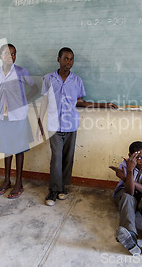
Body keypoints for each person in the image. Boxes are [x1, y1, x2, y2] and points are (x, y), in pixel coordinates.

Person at [37, 47, 117, 206]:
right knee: (56, 158)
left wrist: (103, 105)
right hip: (54, 125)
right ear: (58, 59)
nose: (69, 62)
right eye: (66, 58)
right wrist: (39, 123)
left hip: (71, 124)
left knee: (67, 158)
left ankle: (62, 188)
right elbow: (44, 102)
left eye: (71, 59)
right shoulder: (48, 79)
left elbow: (80, 102)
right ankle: (53, 190)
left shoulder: (77, 80)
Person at [0, 44, 38, 199]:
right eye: (6, 53)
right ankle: (7, 180)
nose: (10, 56)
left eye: (13, 54)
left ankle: (19, 183)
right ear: (0, 56)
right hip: (4, 116)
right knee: (7, 149)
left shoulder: (21, 71)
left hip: (18, 115)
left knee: (18, 149)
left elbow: (35, 88)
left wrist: (23, 101)